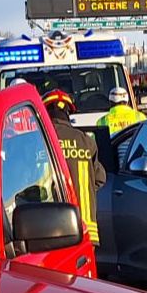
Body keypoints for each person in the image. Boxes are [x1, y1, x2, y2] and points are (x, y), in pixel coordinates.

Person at [43, 88, 105, 243]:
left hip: (50, 228)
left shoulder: (41, 140)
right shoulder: (86, 141)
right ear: (68, 113)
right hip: (86, 228)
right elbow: (100, 179)